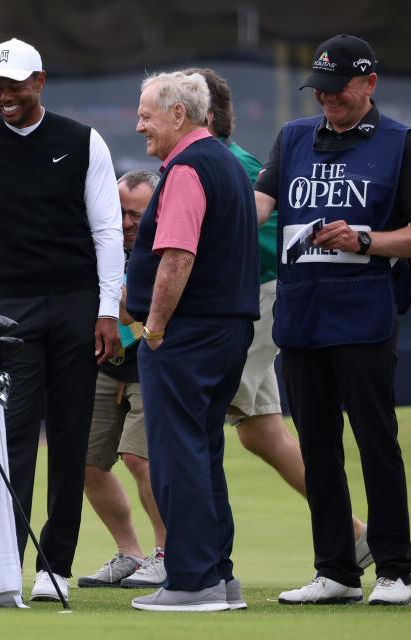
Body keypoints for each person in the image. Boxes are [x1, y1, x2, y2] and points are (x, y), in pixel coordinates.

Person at [0, 37, 124, 602]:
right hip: (13, 305)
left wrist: (105, 309)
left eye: (15, 85)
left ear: (39, 82)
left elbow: (106, 230)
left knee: (71, 437)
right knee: (12, 436)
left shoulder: (81, 140)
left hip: (76, 302)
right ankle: (4, 568)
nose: (4, 96)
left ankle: (56, 566)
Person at [184, 67, 371, 568]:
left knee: (187, 414)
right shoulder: (226, 159)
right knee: (259, 431)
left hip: (256, 297)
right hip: (261, 296)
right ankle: (355, 535)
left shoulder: (219, 164)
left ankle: (179, 555)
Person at [254, 34, 411, 606]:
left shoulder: (401, 143)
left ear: (369, 83)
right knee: (317, 447)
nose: (327, 100)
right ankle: (337, 572)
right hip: (301, 315)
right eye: (319, 90)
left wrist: (364, 238)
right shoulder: (294, 135)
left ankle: (397, 570)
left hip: (364, 313)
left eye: (338, 89)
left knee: (376, 444)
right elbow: (262, 204)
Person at [126, 71, 260, 611]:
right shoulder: (224, 162)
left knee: (177, 452)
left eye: (146, 115)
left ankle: (192, 580)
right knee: (201, 450)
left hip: (188, 332)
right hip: (225, 329)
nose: (139, 126)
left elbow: (177, 256)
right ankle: (217, 577)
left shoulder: (187, 168)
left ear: (178, 115)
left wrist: (153, 327)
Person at [78, 171, 167, 590]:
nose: (127, 223)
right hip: (104, 365)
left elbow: (133, 312)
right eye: (120, 213)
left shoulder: (163, 247)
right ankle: (130, 553)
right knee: (88, 463)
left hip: (150, 363)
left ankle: (167, 554)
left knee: (139, 459)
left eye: (136, 214)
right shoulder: (100, 241)